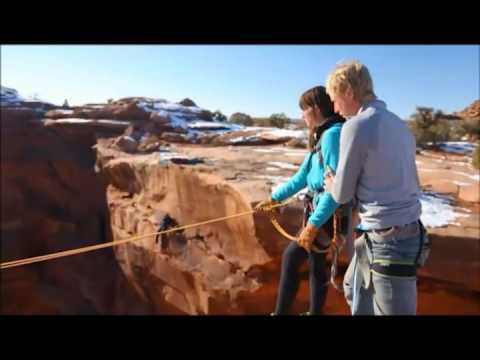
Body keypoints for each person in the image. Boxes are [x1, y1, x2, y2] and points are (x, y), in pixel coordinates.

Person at [323, 60, 428, 315]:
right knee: (352, 286)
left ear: (349, 91)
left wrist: (330, 184)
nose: (335, 108)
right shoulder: (399, 124)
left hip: (390, 240)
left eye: (335, 99)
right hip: (398, 232)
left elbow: (343, 193)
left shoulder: (356, 126)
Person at [256, 86, 345, 315]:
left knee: (291, 257)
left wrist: (313, 225)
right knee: (316, 263)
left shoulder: (332, 135)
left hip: (327, 214)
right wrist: (275, 199)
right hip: (318, 211)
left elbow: (335, 190)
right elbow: (302, 177)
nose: (301, 115)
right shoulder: (322, 135)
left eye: (303, 109)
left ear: (315, 108)